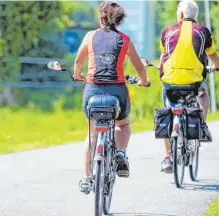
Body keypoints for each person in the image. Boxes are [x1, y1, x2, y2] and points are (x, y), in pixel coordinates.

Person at [73, 1, 150, 193]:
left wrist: (77, 76)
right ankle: (121, 152)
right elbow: (139, 66)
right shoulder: (125, 39)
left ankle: (86, 178)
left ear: (100, 19)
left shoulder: (90, 36)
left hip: (92, 90)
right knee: (123, 125)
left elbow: (78, 61)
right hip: (118, 91)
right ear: (118, 21)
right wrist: (143, 81)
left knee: (91, 134)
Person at [157, 0, 219, 173]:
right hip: (193, 84)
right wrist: (218, 66)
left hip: (170, 83)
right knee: (203, 95)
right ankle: (201, 124)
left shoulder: (167, 32)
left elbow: (163, 57)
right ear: (195, 17)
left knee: (167, 110)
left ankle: (167, 158)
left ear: (180, 15)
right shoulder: (203, 32)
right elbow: (213, 55)